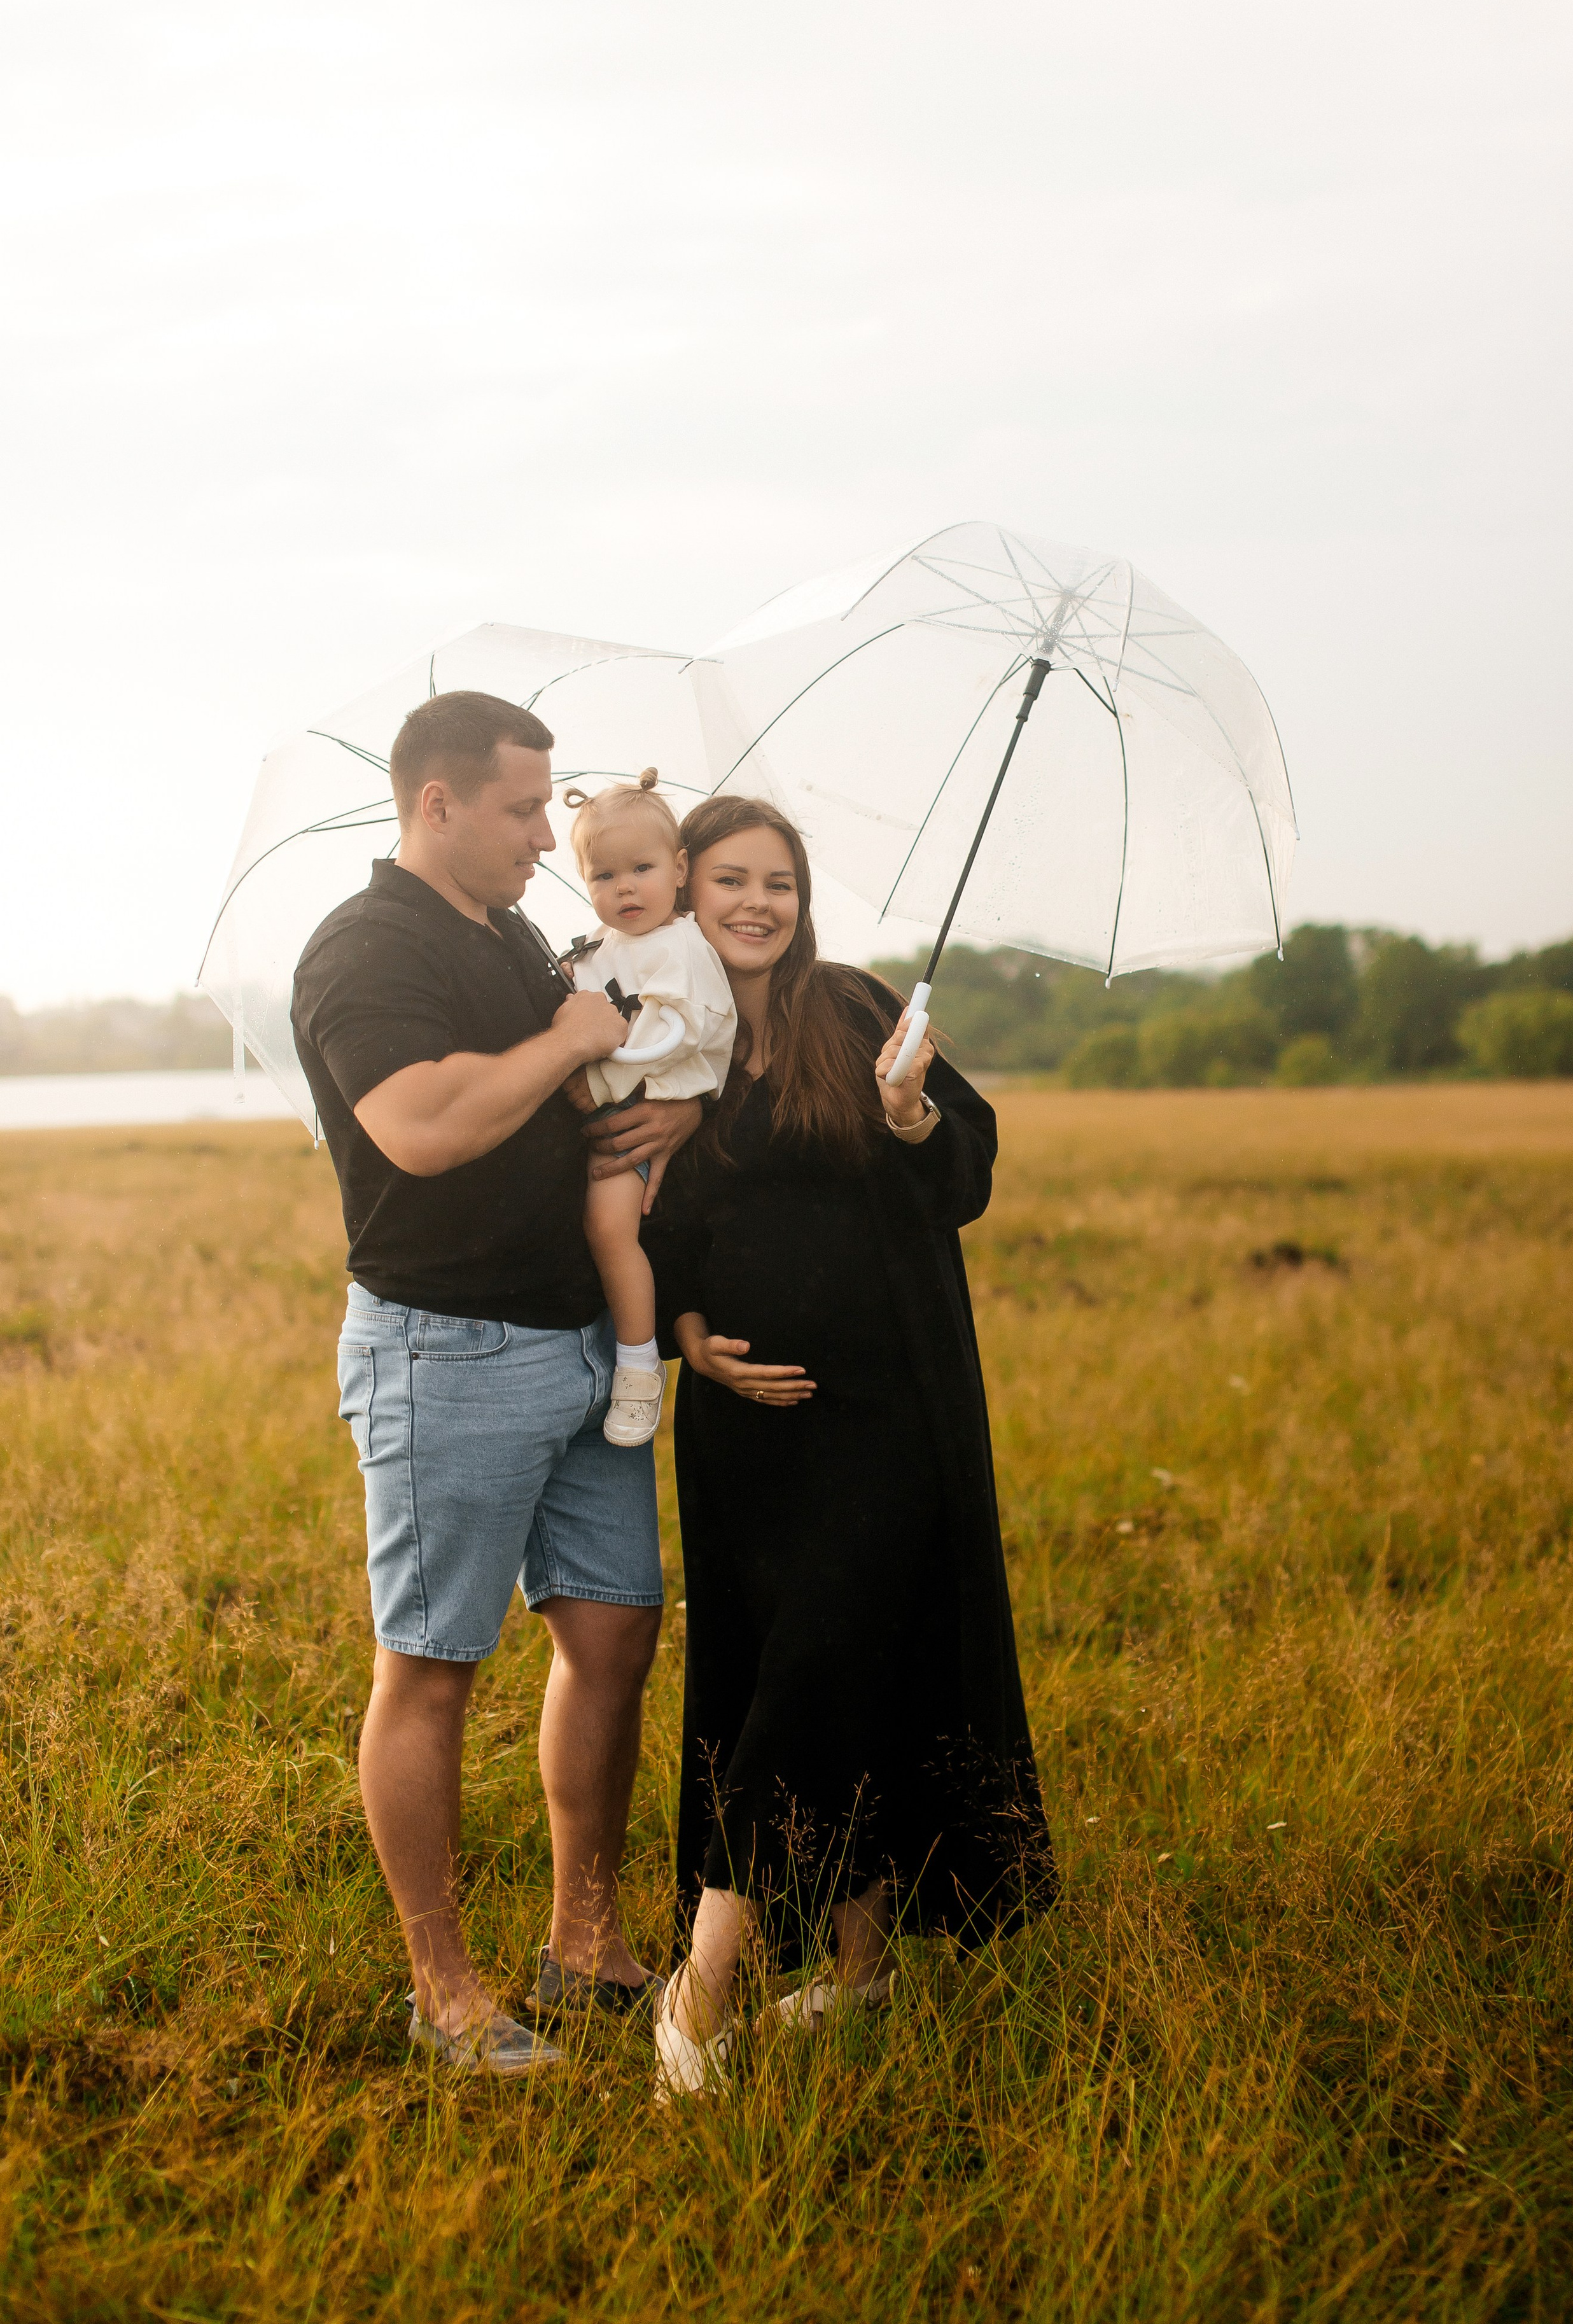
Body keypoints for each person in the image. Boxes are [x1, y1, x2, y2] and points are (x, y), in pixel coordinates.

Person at [290, 689, 703, 2076]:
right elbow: (421, 1125)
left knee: (614, 1638)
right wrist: (569, 1042)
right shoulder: (363, 948)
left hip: (585, 1341)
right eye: (526, 809)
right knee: (433, 1670)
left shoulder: (517, 930)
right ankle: (444, 1987)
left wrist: (662, 1095)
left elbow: (588, 1081)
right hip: (445, 1349)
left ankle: (582, 1941)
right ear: (438, 803)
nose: (550, 833)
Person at [641, 794, 1056, 2101]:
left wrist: (912, 1119)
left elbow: (967, 1174)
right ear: (686, 894)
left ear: (802, 897)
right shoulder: (671, 1034)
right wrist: (689, 1336)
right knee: (806, 1676)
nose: (755, 902)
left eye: (778, 880)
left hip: (883, 1423)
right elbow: (653, 1227)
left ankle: (700, 1990)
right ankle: (860, 1969)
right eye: (729, 880)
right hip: (742, 1444)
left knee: (805, 1685)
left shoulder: (860, 1012)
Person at [562, 769, 736, 1448]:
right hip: (618, 1106)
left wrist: (597, 1078)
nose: (625, 887)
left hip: (644, 1105)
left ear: (680, 868)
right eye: (604, 875)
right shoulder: (605, 947)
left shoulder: (683, 946)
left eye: (642, 868)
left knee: (609, 1230)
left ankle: (637, 1365)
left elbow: (672, 1034)